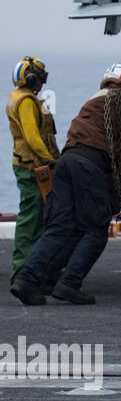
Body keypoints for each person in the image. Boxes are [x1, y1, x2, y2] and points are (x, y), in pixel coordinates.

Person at [10, 63, 121, 306]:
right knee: (95, 229)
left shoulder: (95, 100)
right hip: (88, 165)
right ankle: (69, 283)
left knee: (60, 227)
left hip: (67, 162)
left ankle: (28, 280)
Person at [8, 56, 59, 284]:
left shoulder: (21, 98)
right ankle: (21, 270)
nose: (42, 83)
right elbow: (33, 138)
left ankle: (34, 267)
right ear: (30, 78)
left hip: (30, 164)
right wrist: (51, 160)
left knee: (38, 215)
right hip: (31, 167)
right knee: (31, 218)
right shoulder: (27, 101)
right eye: (39, 78)